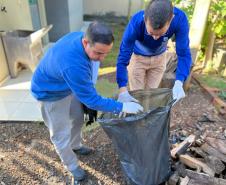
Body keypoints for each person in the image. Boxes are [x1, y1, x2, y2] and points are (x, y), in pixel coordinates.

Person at [31, 22, 143, 183]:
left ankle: (76, 145)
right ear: (85, 43)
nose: (102, 58)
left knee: (77, 118)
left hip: (67, 84)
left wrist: (87, 92)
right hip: (49, 93)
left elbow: (89, 77)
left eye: (106, 53)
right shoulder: (73, 65)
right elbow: (91, 100)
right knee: (60, 135)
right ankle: (72, 166)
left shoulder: (81, 38)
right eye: (98, 53)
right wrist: (122, 106)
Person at [116, 0, 192, 104]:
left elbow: (183, 53)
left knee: (150, 96)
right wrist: (122, 89)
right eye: (151, 33)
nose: (155, 38)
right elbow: (123, 57)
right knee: (137, 96)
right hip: (138, 58)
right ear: (144, 18)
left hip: (159, 58)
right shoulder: (136, 22)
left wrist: (179, 82)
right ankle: (136, 119)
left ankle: (147, 118)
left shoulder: (179, 19)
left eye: (161, 34)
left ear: (171, 19)